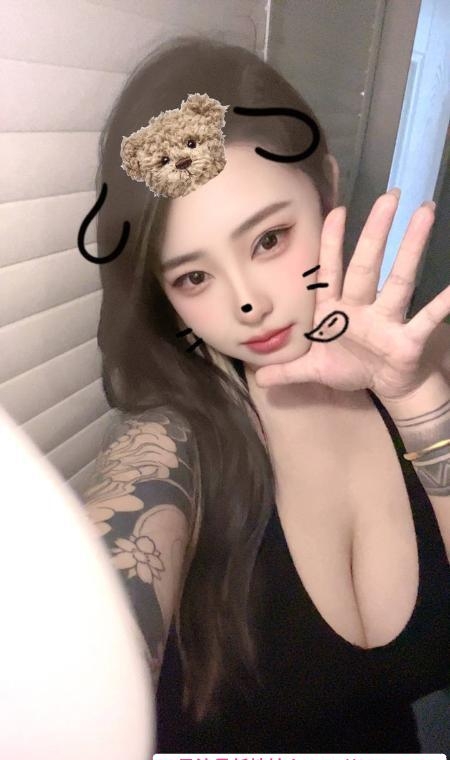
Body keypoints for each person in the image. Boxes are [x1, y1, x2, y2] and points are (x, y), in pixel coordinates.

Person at [81, 33, 450, 752]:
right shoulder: (171, 440)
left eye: (270, 239)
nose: (247, 303)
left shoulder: (427, 362)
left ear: (327, 190)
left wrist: (414, 401)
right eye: (194, 277)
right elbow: (89, 629)